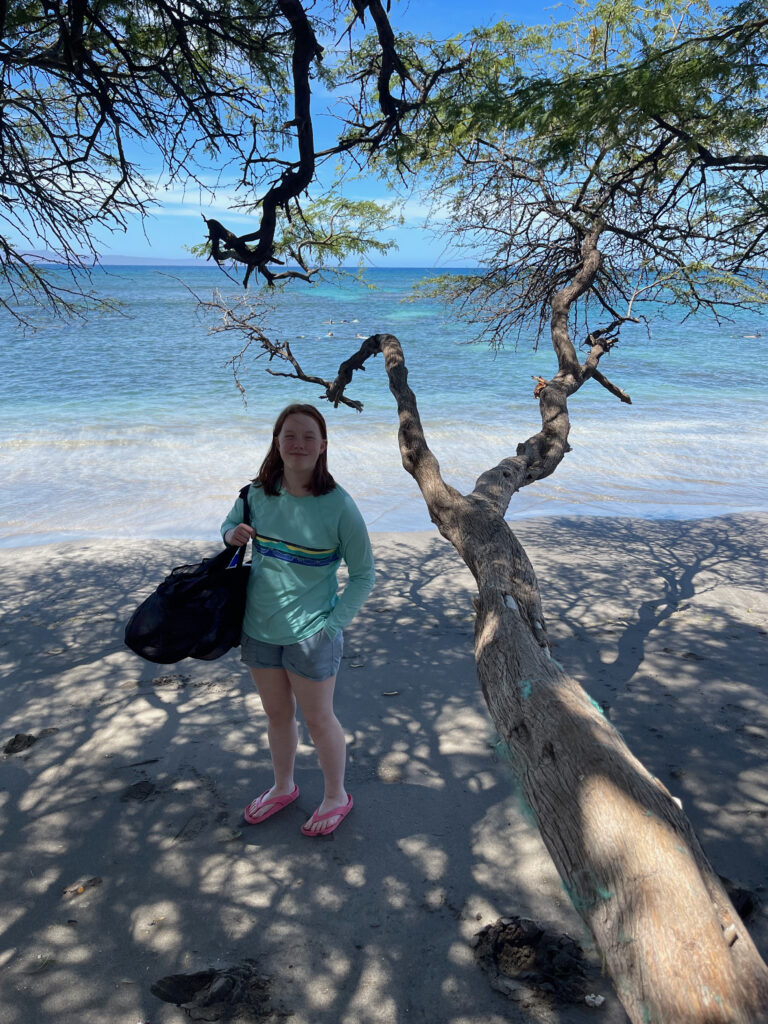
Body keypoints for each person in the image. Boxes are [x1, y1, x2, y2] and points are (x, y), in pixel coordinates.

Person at [221, 403, 375, 837]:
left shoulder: (339, 506)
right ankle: (283, 787)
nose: (299, 444)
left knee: (318, 720)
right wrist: (230, 534)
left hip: (312, 635)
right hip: (258, 628)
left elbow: (364, 575)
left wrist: (332, 624)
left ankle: (335, 796)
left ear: (323, 446)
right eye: (290, 435)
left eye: (309, 436)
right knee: (276, 716)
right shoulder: (256, 494)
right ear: (277, 442)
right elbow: (231, 525)